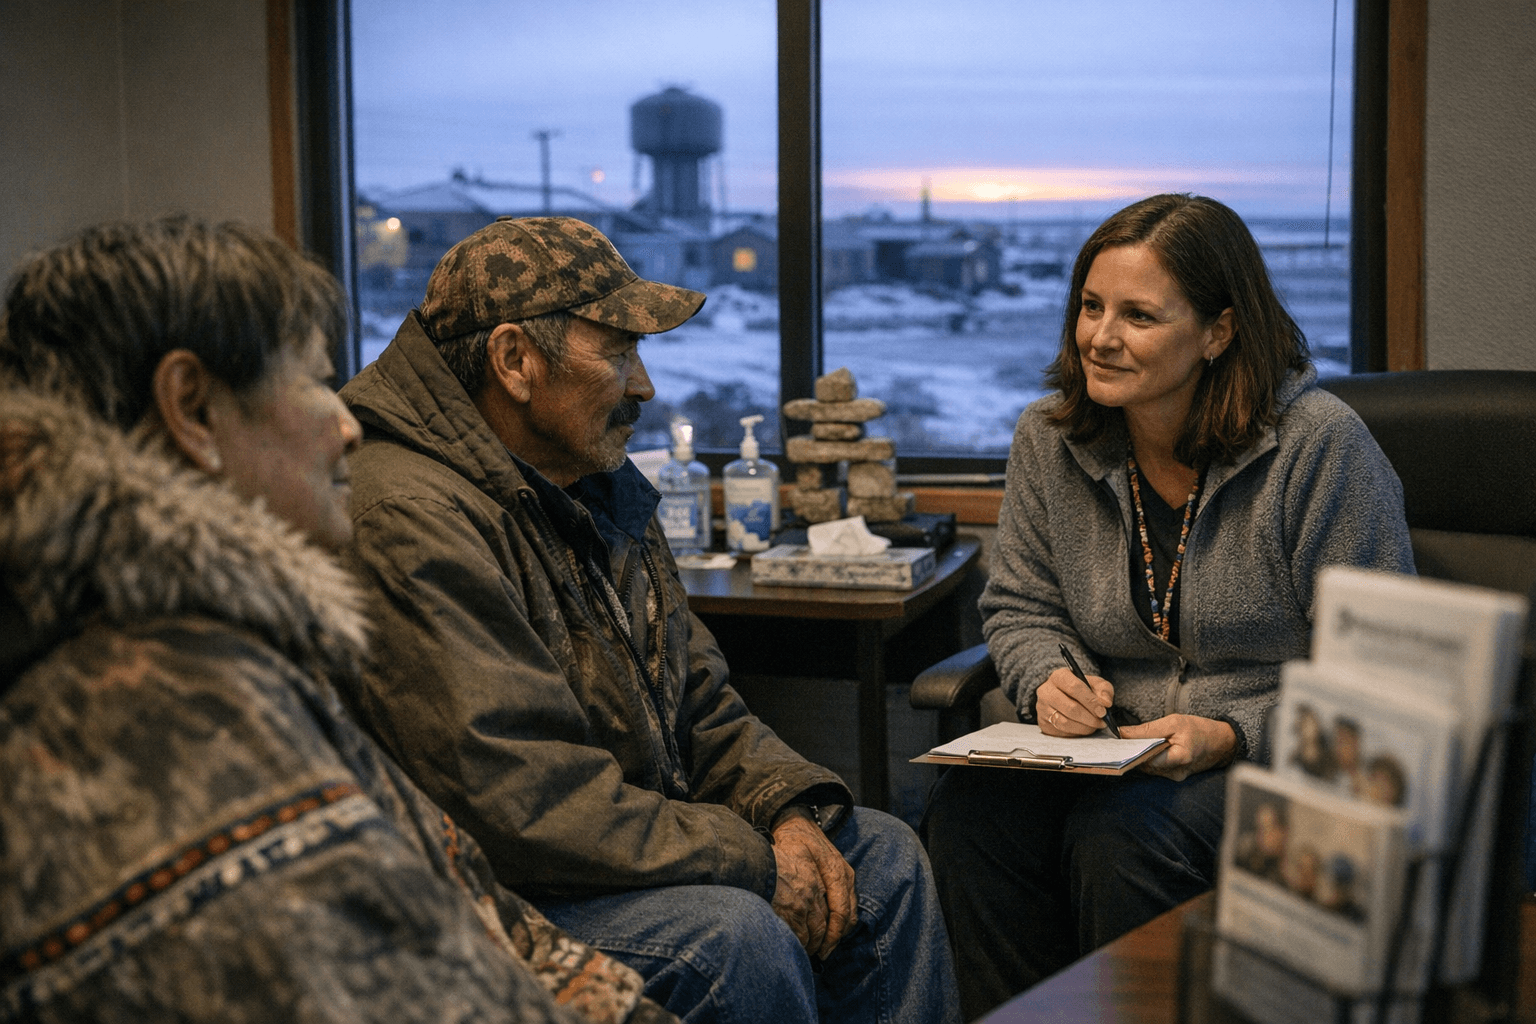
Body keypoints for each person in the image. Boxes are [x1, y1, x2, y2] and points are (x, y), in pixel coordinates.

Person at [0, 218, 674, 1024]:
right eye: (315, 381)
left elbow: (465, 899)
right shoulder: (170, 708)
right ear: (192, 409)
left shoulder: (219, 644)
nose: (348, 423)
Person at [335, 216, 959, 1024]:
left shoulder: (588, 477)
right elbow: (519, 801)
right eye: (620, 351)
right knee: (733, 938)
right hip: (494, 894)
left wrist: (785, 814)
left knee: (883, 864)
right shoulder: (408, 514)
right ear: (515, 360)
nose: (645, 387)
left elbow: (698, 702)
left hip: (618, 851)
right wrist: (752, 860)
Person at [923, 193, 1414, 1018]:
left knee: (1125, 834)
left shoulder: (1318, 447)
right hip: (1108, 749)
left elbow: (1382, 672)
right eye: (1090, 306)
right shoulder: (1050, 437)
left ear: (1218, 332)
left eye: (1139, 315)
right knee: (971, 818)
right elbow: (1018, 603)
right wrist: (1047, 678)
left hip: (1280, 760)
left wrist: (1233, 733)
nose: (1100, 337)